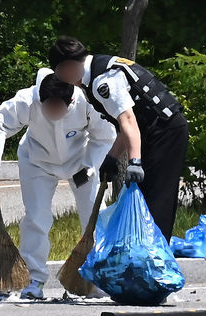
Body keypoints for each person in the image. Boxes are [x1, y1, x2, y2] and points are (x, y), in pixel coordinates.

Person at [0, 69, 116, 299]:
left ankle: (97, 277)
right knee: (36, 218)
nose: (51, 112)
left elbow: (105, 135)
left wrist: (90, 164)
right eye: (47, 106)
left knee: (95, 217)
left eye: (57, 107)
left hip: (80, 163)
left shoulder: (87, 102)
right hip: (37, 161)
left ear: (71, 100)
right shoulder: (28, 99)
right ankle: (34, 279)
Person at [48, 37, 189, 242]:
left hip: (166, 132)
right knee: (146, 200)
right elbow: (128, 125)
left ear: (67, 66)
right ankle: (145, 253)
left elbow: (128, 120)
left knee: (156, 201)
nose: (63, 80)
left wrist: (134, 162)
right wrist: (112, 157)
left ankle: (155, 260)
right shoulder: (99, 71)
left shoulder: (102, 81)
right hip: (157, 131)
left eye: (60, 74)